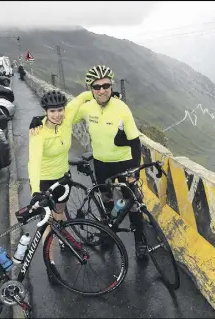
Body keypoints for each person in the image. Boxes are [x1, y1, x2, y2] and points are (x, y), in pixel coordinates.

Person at [29, 65, 147, 260]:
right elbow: (61, 117)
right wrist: (40, 120)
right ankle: (108, 235)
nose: (102, 90)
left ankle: (140, 242)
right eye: (97, 87)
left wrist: (135, 171)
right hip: (101, 163)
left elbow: (135, 141)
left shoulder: (121, 108)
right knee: (106, 201)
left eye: (106, 85)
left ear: (111, 85)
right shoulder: (86, 107)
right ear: (91, 88)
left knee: (133, 204)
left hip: (124, 162)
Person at [28, 89, 93, 284]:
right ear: (46, 112)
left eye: (60, 110)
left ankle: (64, 239)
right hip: (45, 182)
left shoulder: (68, 116)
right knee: (50, 225)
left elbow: (82, 96)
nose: (57, 115)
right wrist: (35, 191)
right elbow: (34, 162)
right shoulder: (38, 132)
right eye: (52, 111)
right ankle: (51, 263)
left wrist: (109, 94)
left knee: (60, 213)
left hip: (63, 179)